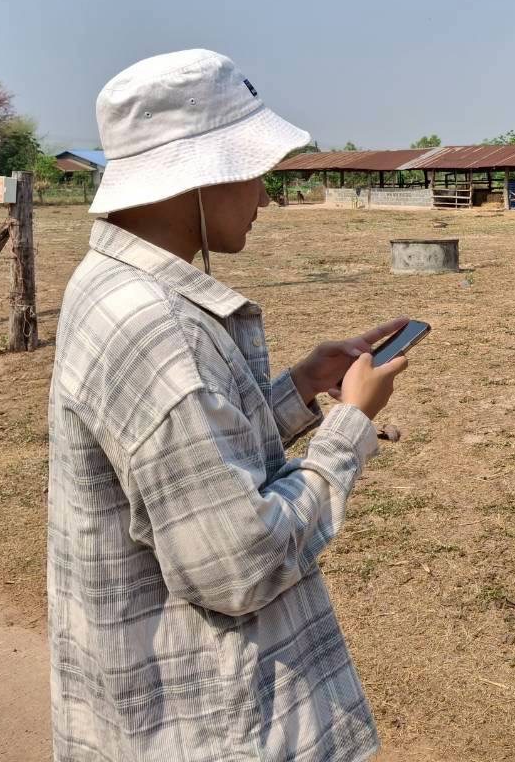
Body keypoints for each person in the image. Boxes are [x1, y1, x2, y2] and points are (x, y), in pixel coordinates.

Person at [47, 49, 406, 761]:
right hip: (212, 723)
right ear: (194, 178)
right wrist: (348, 428)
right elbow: (239, 564)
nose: (265, 196)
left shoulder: (110, 287)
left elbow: (188, 468)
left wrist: (300, 388)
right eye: (252, 171)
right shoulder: (160, 331)